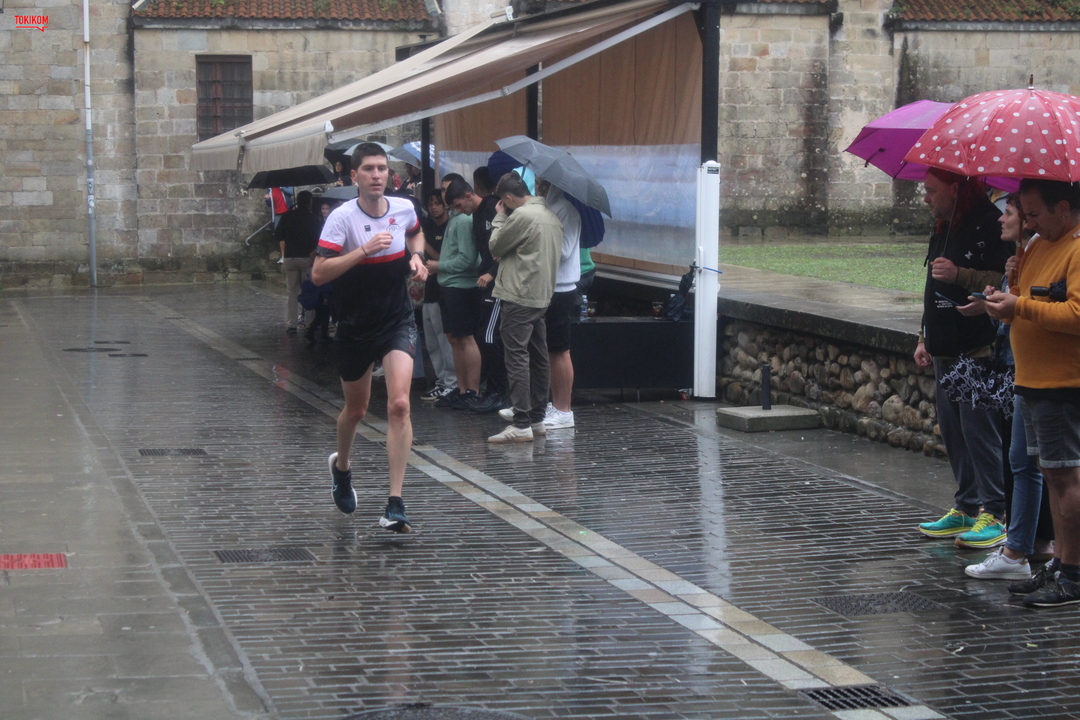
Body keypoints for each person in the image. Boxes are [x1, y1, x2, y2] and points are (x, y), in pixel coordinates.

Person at [311, 142, 428, 533]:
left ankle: (395, 503)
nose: (377, 175)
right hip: (355, 324)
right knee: (356, 410)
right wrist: (362, 250)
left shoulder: (404, 207)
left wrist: (417, 257)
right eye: (369, 169)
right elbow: (319, 274)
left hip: (396, 318)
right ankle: (342, 468)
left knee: (399, 404)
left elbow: (416, 234)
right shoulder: (342, 218)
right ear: (355, 175)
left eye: (382, 168)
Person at [983, 179, 1080, 607]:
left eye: (1035, 214)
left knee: (1065, 476)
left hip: (1062, 382)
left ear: (1064, 208)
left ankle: (1073, 572)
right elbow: (1025, 303)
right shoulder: (1039, 244)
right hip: (1033, 381)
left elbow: (1075, 313)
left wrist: (1019, 305)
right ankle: (1061, 563)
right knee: (1053, 475)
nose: (1030, 223)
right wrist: (1007, 293)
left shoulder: (1076, 248)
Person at [955, 195, 1054, 580]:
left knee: (1048, 468)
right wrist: (1005, 289)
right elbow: (1015, 312)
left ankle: (1045, 552)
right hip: (1023, 369)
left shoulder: (1058, 250)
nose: (1001, 219)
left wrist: (1013, 299)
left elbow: (1048, 309)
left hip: (1038, 373)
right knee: (1024, 462)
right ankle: (1025, 546)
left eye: (1011, 213)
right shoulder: (1027, 254)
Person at [915, 169, 1011, 546]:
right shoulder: (943, 225)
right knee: (954, 432)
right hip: (943, 345)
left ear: (955, 188)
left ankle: (995, 511)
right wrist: (923, 335)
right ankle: (967, 505)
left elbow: (1003, 281)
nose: (925, 197)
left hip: (975, 346)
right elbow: (931, 286)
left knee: (978, 432)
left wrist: (959, 274)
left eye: (931, 190)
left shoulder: (990, 223)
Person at [486, 171, 562, 443]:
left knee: (516, 357)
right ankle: (537, 419)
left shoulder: (521, 216)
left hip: (518, 295)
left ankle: (521, 423)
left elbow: (495, 245)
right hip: (541, 296)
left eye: (503, 202)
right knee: (539, 357)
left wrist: (499, 218)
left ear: (507, 198)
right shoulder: (552, 216)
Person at [445, 176, 508, 414]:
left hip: (497, 282)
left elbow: (505, 247)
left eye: (460, 205)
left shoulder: (492, 208)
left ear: (468, 195)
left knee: (489, 337)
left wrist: (492, 273)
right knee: (484, 336)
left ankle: (499, 391)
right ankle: (492, 389)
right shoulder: (477, 216)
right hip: (485, 280)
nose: (461, 211)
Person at [536, 179, 580, 429]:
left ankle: (564, 410)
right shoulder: (548, 208)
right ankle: (555, 404)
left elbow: (563, 251)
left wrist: (538, 238)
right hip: (548, 287)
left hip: (562, 288)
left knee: (560, 350)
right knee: (550, 350)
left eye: (543, 182)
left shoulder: (566, 210)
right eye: (537, 181)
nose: (538, 186)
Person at [435, 188, 483, 410]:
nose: (456, 209)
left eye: (456, 203)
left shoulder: (464, 220)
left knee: (466, 338)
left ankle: (472, 390)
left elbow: (467, 259)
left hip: (462, 286)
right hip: (449, 285)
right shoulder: (455, 218)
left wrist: (439, 266)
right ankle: (462, 388)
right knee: (454, 338)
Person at [419, 189, 457, 402]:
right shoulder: (427, 227)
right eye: (430, 203)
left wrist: (424, 244)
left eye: (437, 203)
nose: (433, 207)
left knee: (444, 340)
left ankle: (451, 382)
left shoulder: (450, 227)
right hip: (428, 290)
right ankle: (442, 381)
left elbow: (443, 258)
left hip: (443, 290)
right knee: (432, 341)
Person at [276, 190, 320, 335]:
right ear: (309, 202)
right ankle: (309, 322)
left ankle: (292, 323)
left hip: (290, 257)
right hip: (307, 258)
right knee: (308, 291)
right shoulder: (313, 218)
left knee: (292, 292)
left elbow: (279, 235)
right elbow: (319, 238)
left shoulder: (287, 216)